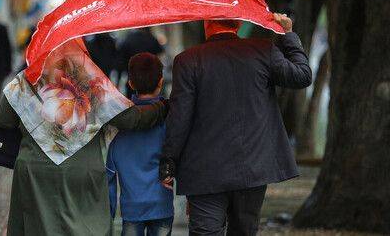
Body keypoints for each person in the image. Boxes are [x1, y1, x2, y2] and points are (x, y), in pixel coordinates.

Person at [0, 41, 169, 236]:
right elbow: (132, 119)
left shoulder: (28, 78)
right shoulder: (91, 80)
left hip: (35, 172)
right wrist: (163, 107)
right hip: (82, 170)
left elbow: (3, 121)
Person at [160, 15, 312, 235]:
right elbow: (302, 76)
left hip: (204, 171)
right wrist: (287, 34)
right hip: (252, 166)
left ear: (206, 24)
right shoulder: (262, 51)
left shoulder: (188, 60)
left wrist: (169, 162)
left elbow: (179, 117)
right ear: (239, 24)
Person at [107, 53, 174, 236]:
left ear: (130, 84)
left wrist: (109, 215)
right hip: (162, 205)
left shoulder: (120, 126)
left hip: (131, 209)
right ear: (161, 82)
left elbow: (109, 175)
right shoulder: (170, 121)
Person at [117, 28, 164, 96]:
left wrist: (118, 81)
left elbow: (120, 63)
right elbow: (160, 54)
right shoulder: (151, 38)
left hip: (134, 80)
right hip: (151, 80)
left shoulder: (128, 39)